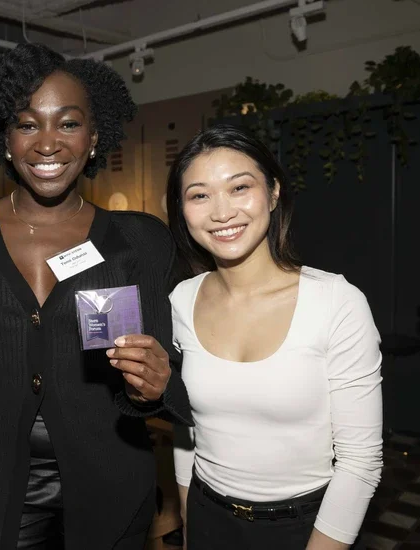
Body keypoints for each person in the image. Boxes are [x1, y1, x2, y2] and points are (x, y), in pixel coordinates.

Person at [0, 43, 193, 550]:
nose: (47, 143)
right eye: (28, 124)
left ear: (94, 138)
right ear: (4, 139)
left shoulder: (138, 240)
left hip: (108, 484)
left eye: (68, 124)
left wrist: (152, 387)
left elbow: (167, 372)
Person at [167, 124, 382, 549]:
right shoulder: (180, 302)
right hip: (208, 516)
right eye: (200, 195)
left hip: (306, 529)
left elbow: (360, 463)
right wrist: (191, 525)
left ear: (274, 192)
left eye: (239, 187)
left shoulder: (335, 302)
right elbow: (185, 430)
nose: (222, 212)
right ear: (181, 209)